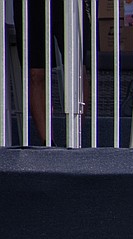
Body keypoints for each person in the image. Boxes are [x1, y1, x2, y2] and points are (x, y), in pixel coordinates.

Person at [13, 0, 91, 145]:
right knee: (35, 73)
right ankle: (47, 143)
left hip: (69, 4)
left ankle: (75, 138)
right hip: (30, 5)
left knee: (77, 68)